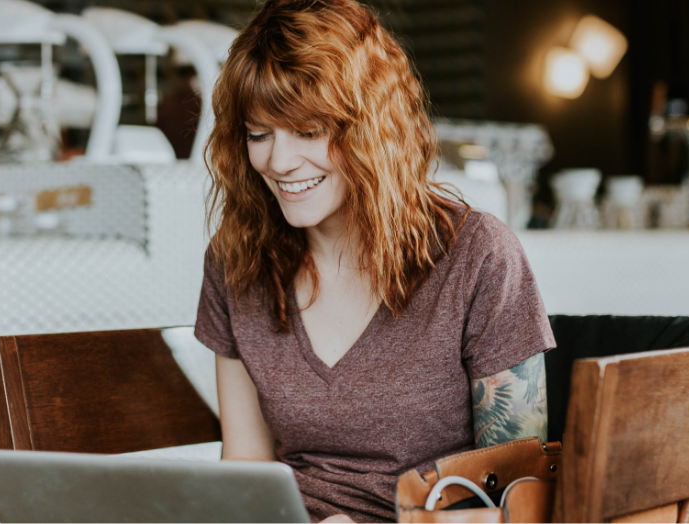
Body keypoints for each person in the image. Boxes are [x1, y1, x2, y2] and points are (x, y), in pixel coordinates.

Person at [193, 1, 555, 522]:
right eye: (259, 133)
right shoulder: (235, 263)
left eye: (309, 130)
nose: (278, 161)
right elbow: (245, 471)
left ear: (372, 128)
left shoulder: (478, 256)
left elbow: (522, 499)